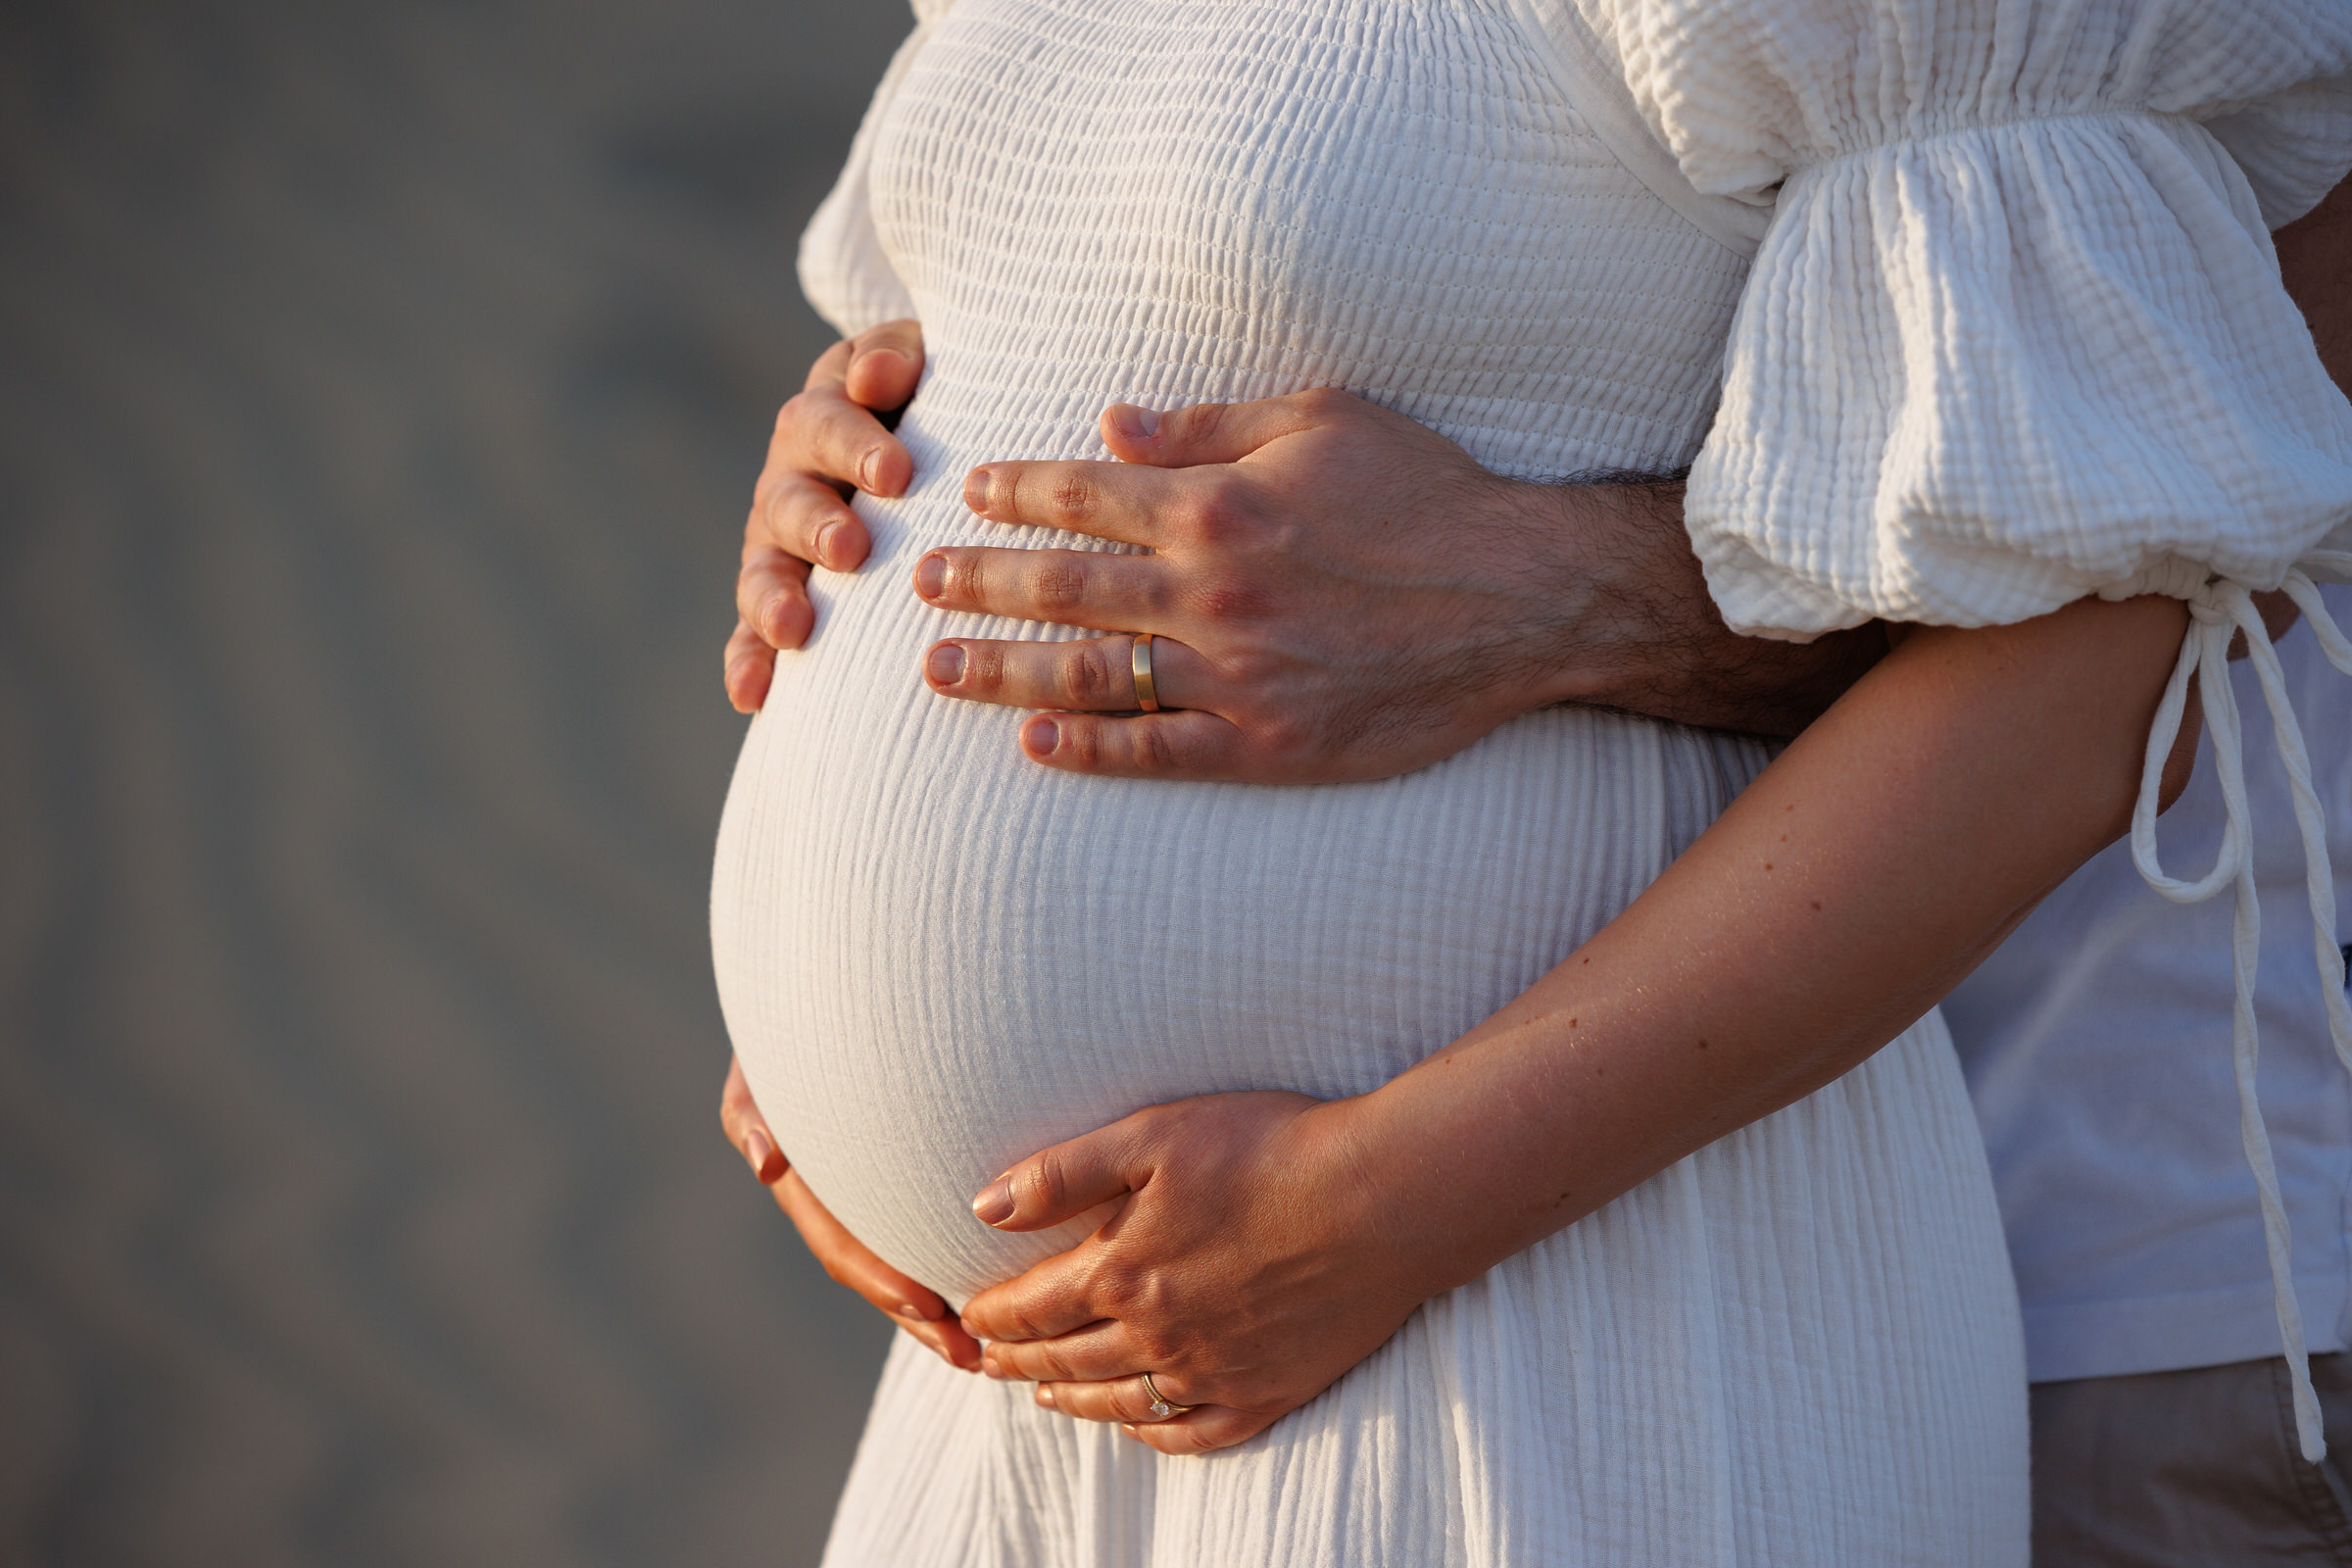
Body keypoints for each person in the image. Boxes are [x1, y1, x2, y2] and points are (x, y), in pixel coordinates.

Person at [707, 2, 2352, 1562]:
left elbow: (2089, 632)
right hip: (1034, 1368)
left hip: (1562, 1289)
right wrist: (848, 562)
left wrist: (1364, 1213)